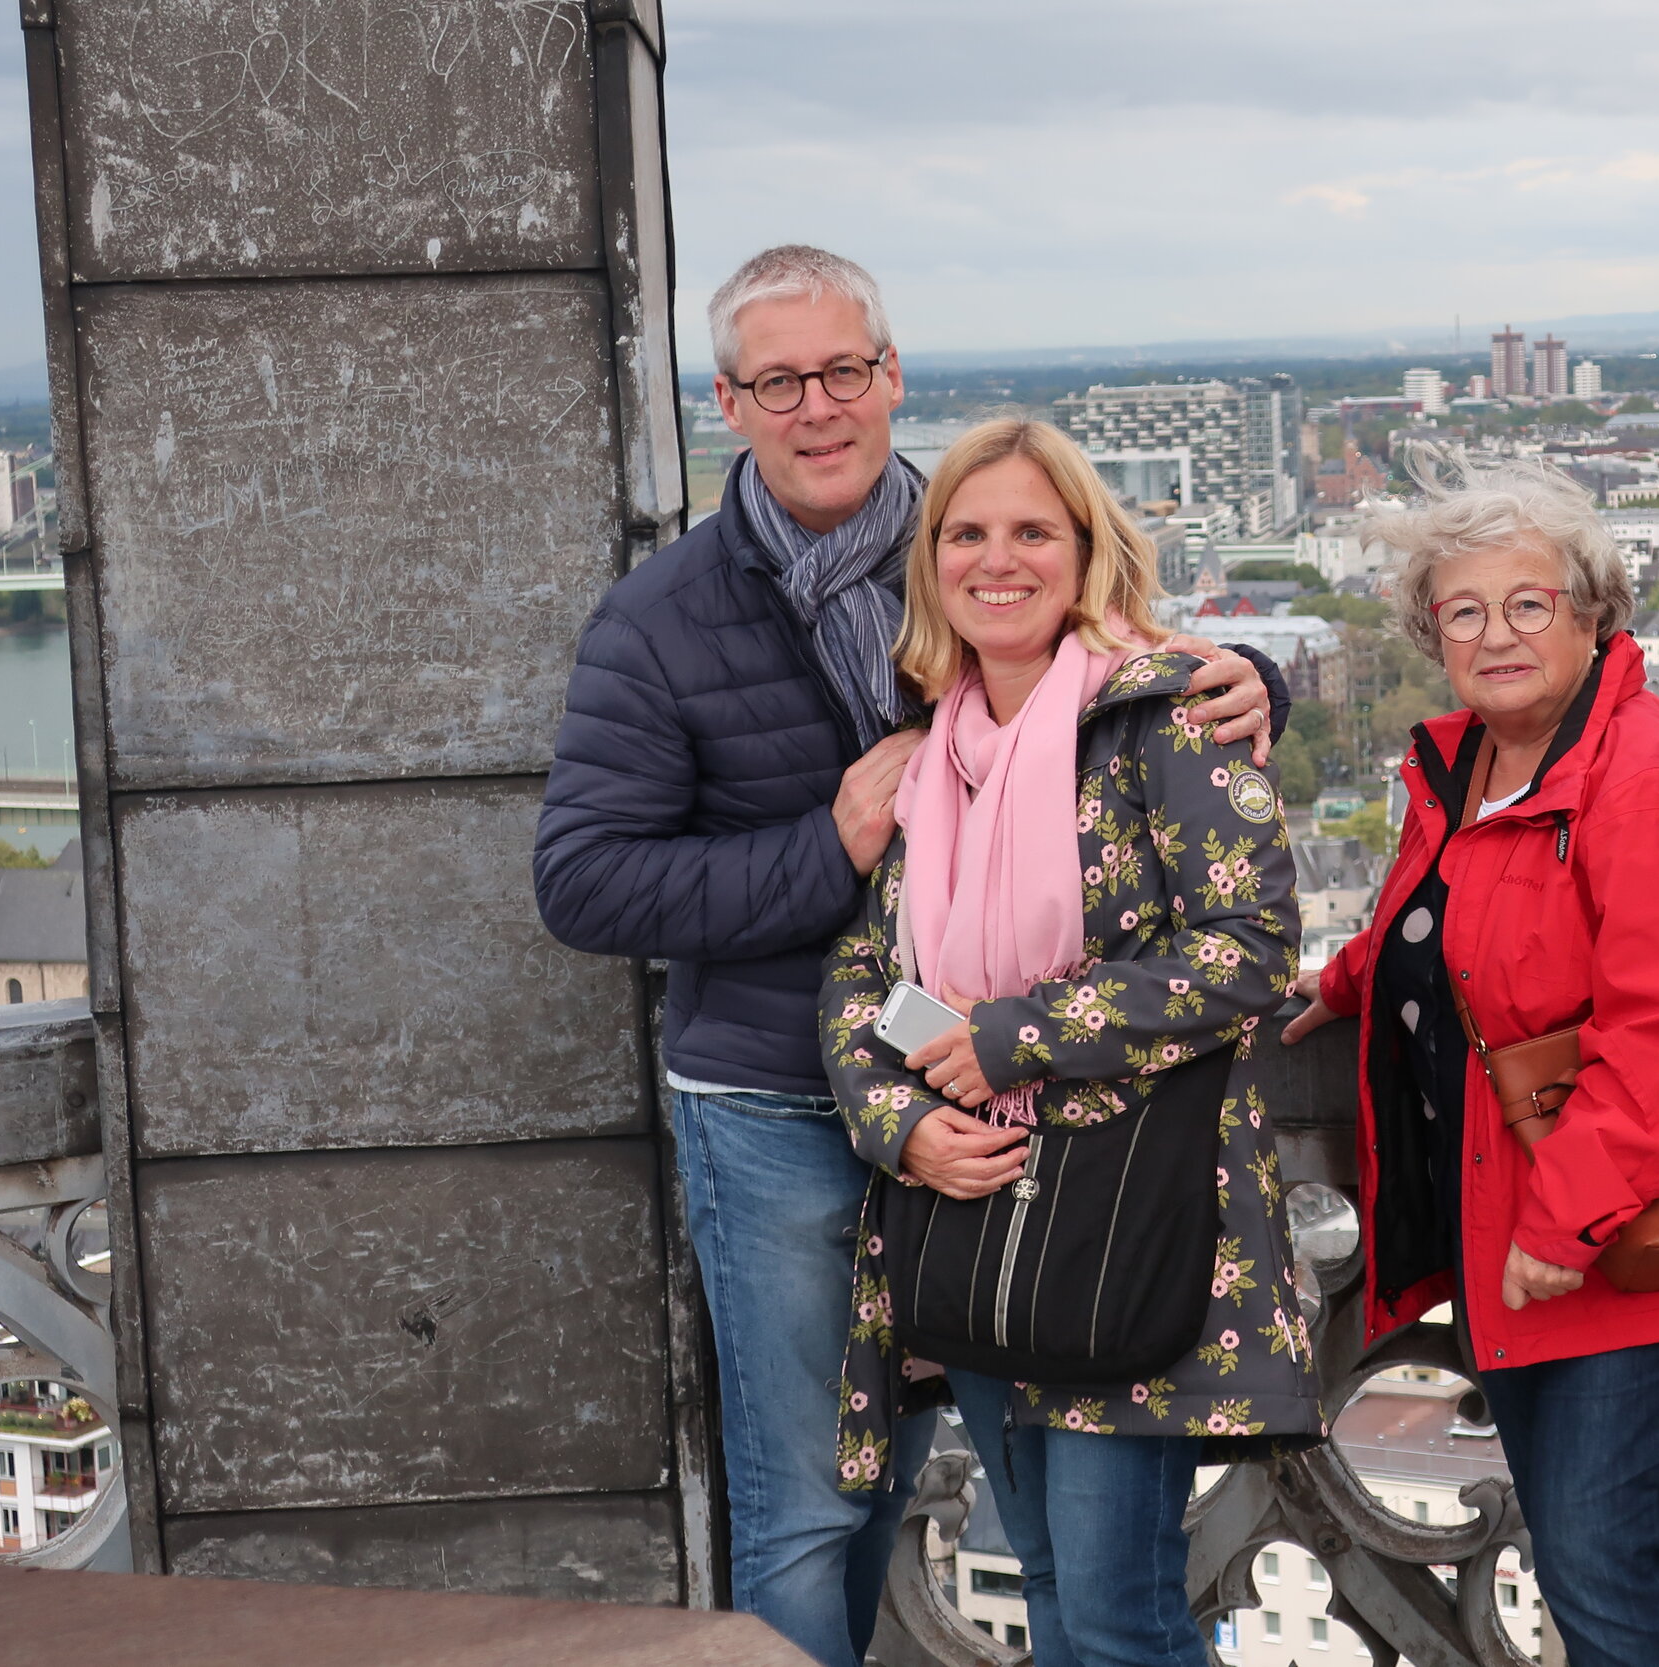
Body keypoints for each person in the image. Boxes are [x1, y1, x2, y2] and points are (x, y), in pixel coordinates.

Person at [532, 246, 1286, 1667]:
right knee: (820, 1503)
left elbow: (1134, 695)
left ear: (891, 377)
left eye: (844, 370)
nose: (817, 406)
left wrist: (1260, 681)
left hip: (1021, 1109)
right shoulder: (657, 618)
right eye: (777, 381)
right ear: (729, 401)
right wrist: (829, 843)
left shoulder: (975, 541)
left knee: (1053, 1520)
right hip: (777, 1108)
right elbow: (582, 883)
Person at [1281, 461, 1659, 1667]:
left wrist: (1561, 1219)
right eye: (1464, 610)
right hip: (1533, 1223)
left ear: (1594, 613)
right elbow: (1443, 920)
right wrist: (1347, 985)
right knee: (1572, 1541)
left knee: (1596, 1557)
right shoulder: (1475, 761)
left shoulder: (1650, 785)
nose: (1496, 634)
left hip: (1613, 1234)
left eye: (1528, 603)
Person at [820, 418, 1319, 1667]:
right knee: (1050, 1588)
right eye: (968, 533)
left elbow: (1254, 946)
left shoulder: (1166, 717)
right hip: (976, 1216)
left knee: (1117, 1617)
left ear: (1088, 552)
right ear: (932, 562)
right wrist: (902, 1123)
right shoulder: (935, 755)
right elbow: (863, 978)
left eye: (1033, 531)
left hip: (1125, 1219)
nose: (999, 559)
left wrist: (1011, 1037)